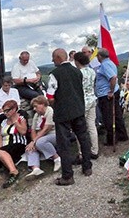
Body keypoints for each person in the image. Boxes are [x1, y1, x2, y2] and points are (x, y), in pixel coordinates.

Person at [47, 48, 93, 186]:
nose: (52, 61)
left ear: (59, 58)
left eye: (53, 58)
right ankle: (87, 167)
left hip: (63, 114)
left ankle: (67, 176)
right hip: (78, 110)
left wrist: (57, 104)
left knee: (64, 144)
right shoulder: (77, 71)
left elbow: (50, 97)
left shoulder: (54, 74)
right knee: (84, 138)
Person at [96, 47, 129, 147]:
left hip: (107, 95)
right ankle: (122, 134)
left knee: (108, 117)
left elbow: (113, 77)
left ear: (100, 56)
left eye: (97, 55)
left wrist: (110, 91)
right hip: (112, 92)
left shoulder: (105, 65)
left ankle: (112, 139)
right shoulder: (110, 62)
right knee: (117, 114)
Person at [24, 95, 61, 180]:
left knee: (40, 142)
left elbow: (46, 129)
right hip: (41, 137)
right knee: (29, 148)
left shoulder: (50, 111)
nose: (34, 109)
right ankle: (35, 168)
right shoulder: (36, 115)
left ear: (42, 104)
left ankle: (57, 158)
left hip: (54, 134)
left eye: (36, 106)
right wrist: (33, 142)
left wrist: (34, 141)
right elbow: (33, 130)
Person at [73, 51, 99, 159]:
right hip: (92, 99)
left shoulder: (78, 73)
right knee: (92, 126)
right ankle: (95, 150)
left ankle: (82, 152)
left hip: (82, 102)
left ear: (77, 61)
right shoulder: (92, 71)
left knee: (80, 129)